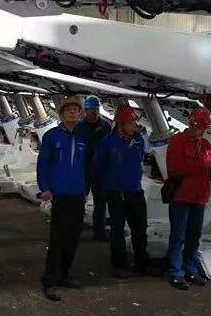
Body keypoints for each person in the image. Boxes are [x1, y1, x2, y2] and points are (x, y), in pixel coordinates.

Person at [93, 104, 156, 278]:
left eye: (134, 122)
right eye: (131, 123)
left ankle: (141, 262)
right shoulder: (107, 142)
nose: (134, 126)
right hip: (116, 191)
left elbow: (140, 159)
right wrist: (111, 182)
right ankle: (119, 264)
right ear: (121, 124)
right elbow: (99, 166)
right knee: (117, 229)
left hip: (135, 189)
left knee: (140, 228)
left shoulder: (139, 139)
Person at [37, 95, 87, 302]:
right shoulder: (52, 136)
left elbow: (86, 165)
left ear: (80, 114)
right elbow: (43, 164)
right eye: (68, 110)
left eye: (76, 110)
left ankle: (65, 274)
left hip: (77, 194)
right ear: (61, 114)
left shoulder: (82, 137)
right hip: (60, 194)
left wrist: (85, 189)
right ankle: (50, 280)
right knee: (58, 238)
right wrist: (45, 188)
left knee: (73, 237)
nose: (72, 113)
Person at [165, 106, 211, 290]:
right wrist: (202, 165)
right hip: (181, 195)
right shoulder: (177, 141)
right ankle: (175, 272)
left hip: (199, 197)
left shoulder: (206, 145)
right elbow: (174, 169)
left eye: (204, 129)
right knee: (178, 235)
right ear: (191, 123)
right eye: (199, 127)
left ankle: (190, 268)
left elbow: (209, 169)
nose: (201, 132)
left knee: (194, 236)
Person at [73, 95, 112, 241]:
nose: (93, 113)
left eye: (95, 110)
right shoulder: (79, 127)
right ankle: (75, 229)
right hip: (83, 169)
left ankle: (99, 232)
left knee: (100, 202)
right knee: (79, 200)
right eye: (91, 110)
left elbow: (109, 148)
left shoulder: (106, 127)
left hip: (100, 170)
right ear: (86, 111)